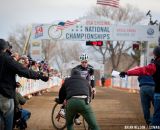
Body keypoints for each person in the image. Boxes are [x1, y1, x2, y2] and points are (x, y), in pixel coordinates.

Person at [0, 39, 49, 130]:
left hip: (5, 93)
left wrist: (14, 83)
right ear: (5, 49)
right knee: (8, 125)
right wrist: (40, 75)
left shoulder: (7, 59)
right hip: (5, 96)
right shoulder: (7, 59)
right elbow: (24, 71)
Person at [119, 46, 160, 127]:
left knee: (154, 113)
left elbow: (140, 71)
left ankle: (149, 122)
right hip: (154, 90)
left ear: (155, 55)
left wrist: (127, 73)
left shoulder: (153, 65)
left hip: (155, 92)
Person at [73, 53, 96, 124]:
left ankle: (76, 117)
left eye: (85, 62)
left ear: (87, 62)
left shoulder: (91, 68)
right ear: (81, 62)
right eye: (83, 62)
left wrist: (93, 87)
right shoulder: (76, 69)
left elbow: (92, 79)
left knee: (86, 102)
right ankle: (64, 108)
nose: (84, 63)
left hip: (86, 86)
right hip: (77, 85)